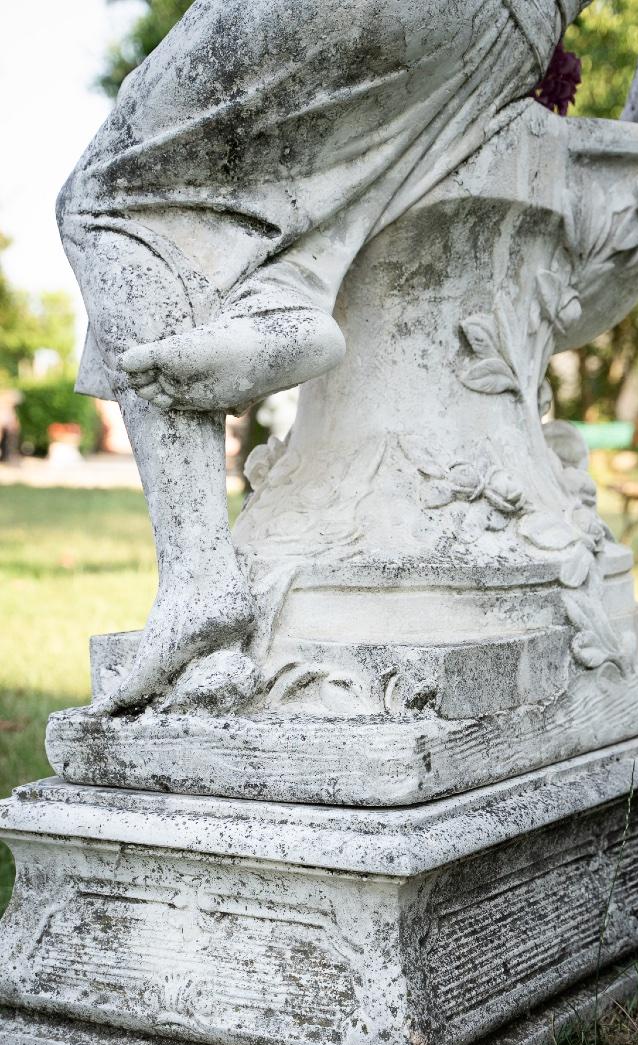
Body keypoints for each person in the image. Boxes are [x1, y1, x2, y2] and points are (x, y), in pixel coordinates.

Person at [58, 0, 592, 712]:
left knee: (105, 197)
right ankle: (284, 290)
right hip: (513, 41)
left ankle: (197, 581)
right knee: (314, 177)